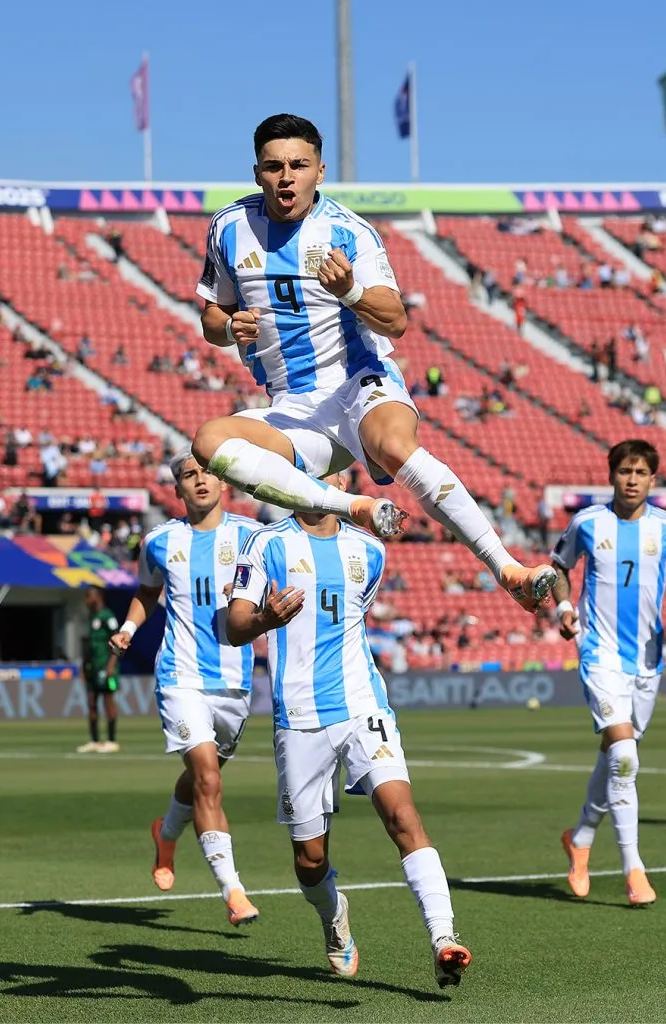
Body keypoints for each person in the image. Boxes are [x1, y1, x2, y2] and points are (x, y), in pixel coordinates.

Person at [192, 113, 556, 615]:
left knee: (393, 446)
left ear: (320, 172)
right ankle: (354, 507)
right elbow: (212, 317)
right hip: (294, 409)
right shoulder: (229, 227)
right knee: (208, 442)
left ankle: (507, 567)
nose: (285, 177)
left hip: (358, 382)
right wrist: (231, 328)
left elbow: (395, 321)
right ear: (257, 172)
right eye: (274, 166)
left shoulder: (350, 232)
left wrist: (351, 291)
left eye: (299, 165)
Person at [226, 474, 471, 988]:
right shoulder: (267, 543)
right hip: (300, 716)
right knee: (310, 857)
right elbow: (234, 625)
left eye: (332, 467)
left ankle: (444, 938)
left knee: (403, 816)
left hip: (363, 703)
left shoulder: (370, 550)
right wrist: (266, 619)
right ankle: (333, 918)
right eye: (309, 470)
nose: (321, 478)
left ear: (345, 479)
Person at [551, 440, 666, 906]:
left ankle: (579, 838)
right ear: (612, 476)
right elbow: (559, 567)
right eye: (624, 471)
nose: (632, 479)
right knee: (624, 756)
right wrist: (563, 605)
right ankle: (633, 868)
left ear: (654, 480)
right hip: (598, 654)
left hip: (647, 660)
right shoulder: (588, 522)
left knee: (618, 756)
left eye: (641, 472)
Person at [109, 447, 261, 927]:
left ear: (224, 483)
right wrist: (129, 630)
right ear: (176, 489)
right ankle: (234, 891)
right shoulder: (159, 541)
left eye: (207, 473)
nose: (199, 481)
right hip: (180, 676)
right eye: (188, 476)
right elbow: (147, 592)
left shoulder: (253, 537)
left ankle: (166, 831)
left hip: (234, 680)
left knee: (205, 775)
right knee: (209, 780)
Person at [77, 588, 121, 754]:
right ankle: (94, 740)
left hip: (106, 667)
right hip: (92, 668)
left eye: (89, 596)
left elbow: (117, 641)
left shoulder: (107, 616)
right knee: (91, 701)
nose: (87, 600)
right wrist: (84, 666)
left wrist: (111, 664)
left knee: (108, 699)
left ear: (98, 597)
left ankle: (111, 740)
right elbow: (88, 645)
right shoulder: (91, 617)